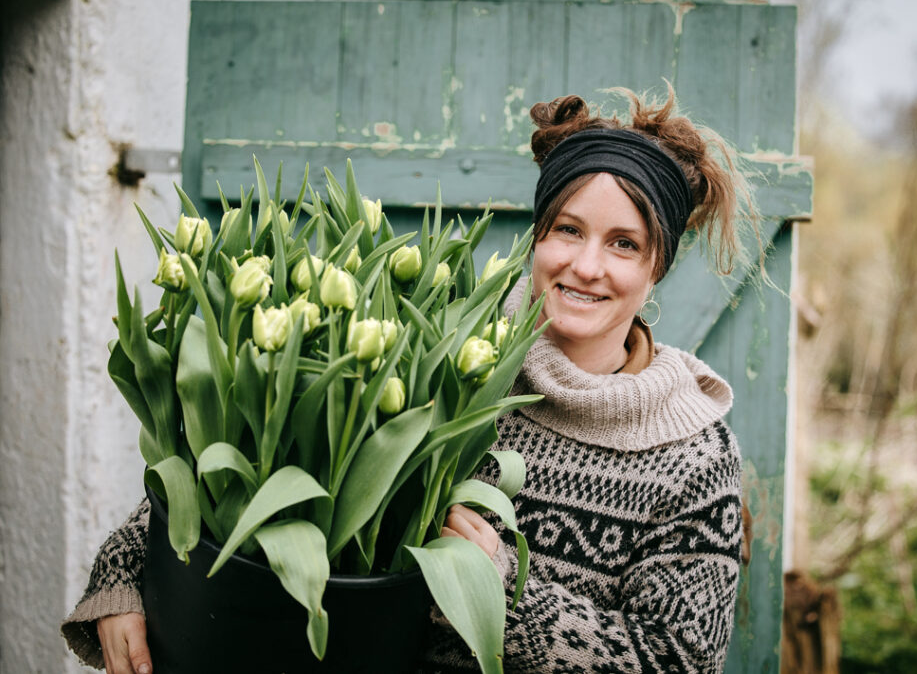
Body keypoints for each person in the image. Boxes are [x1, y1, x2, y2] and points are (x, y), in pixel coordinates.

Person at [62, 87, 751, 673]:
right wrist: (124, 571)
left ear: (656, 268)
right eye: (568, 229)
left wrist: (501, 590)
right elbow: (249, 470)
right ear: (537, 238)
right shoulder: (443, 362)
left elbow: (676, 659)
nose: (587, 265)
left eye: (623, 243)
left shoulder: (694, 456)